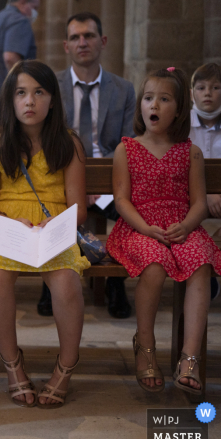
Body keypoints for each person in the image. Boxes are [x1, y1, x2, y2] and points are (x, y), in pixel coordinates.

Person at [0, 60, 89, 409]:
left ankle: (65, 367)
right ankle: (13, 365)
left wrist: (52, 225)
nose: (30, 101)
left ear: (53, 100)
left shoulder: (69, 144)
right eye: (21, 93)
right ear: (10, 101)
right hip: (7, 226)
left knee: (66, 281)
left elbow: (80, 210)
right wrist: (12, 224)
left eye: (39, 92)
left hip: (54, 227)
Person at [106, 67, 221, 395]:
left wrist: (186, 225)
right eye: (148, 98)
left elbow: (199, 202)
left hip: (181, 226)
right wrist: (144, 226)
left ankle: (190, 356)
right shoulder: (126, 149)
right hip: (138, 227)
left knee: (201, 262)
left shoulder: (191, 152)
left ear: (181, 109)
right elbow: (121, 200)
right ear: (140, 106)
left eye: (164, 99)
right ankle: (145, 345)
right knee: (154, 265)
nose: (154, 105)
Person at [38, 12, 137, 319]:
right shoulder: (49, 87)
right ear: (65, 45)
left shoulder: (123, 89)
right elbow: (44, 140)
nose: (83, 42)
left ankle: (115, 282)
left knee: (129, 212)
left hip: (109, 176)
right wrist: (79, 183)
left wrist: (97, 182)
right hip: (62, 173)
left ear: (102, 41)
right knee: (51, 206)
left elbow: (127, 143)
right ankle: (50, 281)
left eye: (89, 36)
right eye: (76, 37)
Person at [189, 63, 221, 299]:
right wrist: (205, 195)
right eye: (201, 88)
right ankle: (201, 272)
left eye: (216, 87)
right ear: (192, 93)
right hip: (190, 198)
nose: (208, 93)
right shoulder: (182, 126)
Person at [0, 0, 40, 116]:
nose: (36, 12)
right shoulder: (19, 20)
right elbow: (10, 58)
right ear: (22, 3)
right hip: (1, 96)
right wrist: (21, 91)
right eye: (35, 7)